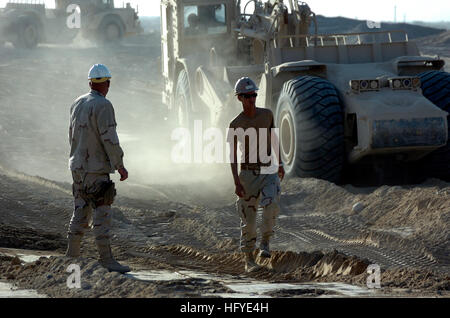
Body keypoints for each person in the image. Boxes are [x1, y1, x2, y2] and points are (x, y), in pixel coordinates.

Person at [65, 63, 130, 274]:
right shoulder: (104, 105)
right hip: (96, 169)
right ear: (107, 83)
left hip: (77, 167)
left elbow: (71, 135)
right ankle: (107, 260)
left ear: (90, 82)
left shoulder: (77, 103)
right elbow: (109, 138)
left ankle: (71, 257)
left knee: (80, 212)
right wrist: (120, 165)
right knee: (102, 213)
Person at [227, 77, 285, 273]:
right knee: (248, 220)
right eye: (248, 96)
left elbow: (274, 137)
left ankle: (266, 243)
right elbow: (232, 155)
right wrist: (236, 181)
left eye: (254, 95)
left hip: (269, 169)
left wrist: (281, 163)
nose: (252, 99)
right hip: (248, 174)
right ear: (240, 98)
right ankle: (249, 259)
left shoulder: (267, 115)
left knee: (272, 205)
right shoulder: (235, 124)